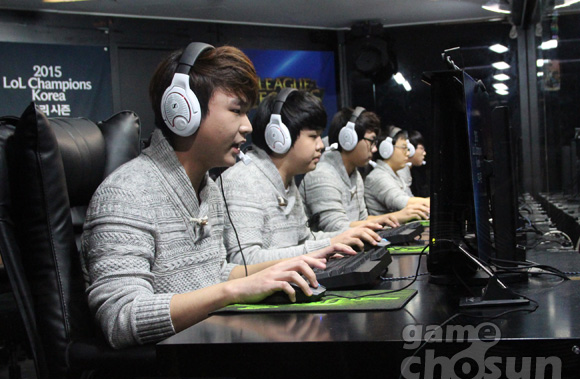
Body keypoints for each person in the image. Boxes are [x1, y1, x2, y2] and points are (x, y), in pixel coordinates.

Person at [80, 43, 353, 350]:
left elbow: (215, 272)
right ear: (183, 110)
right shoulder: (125, 192)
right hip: (166, 370)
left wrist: (288, 265)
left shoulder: (207, 187)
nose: (247, 126)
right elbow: (120, 318)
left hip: (210, 348)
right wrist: (234, 291)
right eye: (236, 111)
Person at [221, 89, 385, 265]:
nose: (321, 145)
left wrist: (346, 236)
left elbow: (305, 240)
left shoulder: (287, 182)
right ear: (279, 136)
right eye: (313, 136)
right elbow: (245, 260)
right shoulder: (242, 180)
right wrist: (329, 245)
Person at [299, 107, 428, 233]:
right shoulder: (322, 175)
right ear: (349, 139)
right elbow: (336, 227)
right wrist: (395, 217)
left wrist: (386, 219)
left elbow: (362, 220)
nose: (374, 149)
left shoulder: (355, 175)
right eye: (371, 141)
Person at [364, 126, 430, 216]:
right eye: (404, 148)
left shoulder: (397, 174)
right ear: (387, 149)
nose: (408, 153)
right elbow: (402, 202)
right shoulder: (377, 177)